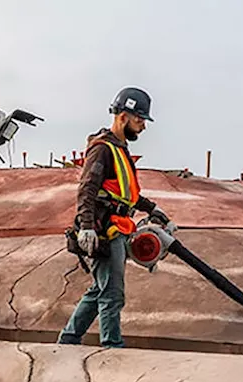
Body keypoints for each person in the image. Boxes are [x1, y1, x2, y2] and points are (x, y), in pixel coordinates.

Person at [58, 86, 171, 348]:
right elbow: (87, 189)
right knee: (112, 294)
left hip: (118, 227)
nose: (143, 126)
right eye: (139, 119)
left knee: (99, 289)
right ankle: (112, 348)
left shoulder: (119, 149)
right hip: (104, 231)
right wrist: (86, 227)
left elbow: (124, 194)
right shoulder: (103, 149)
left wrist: (151, 208)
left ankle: (68, 340)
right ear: (123, 116)